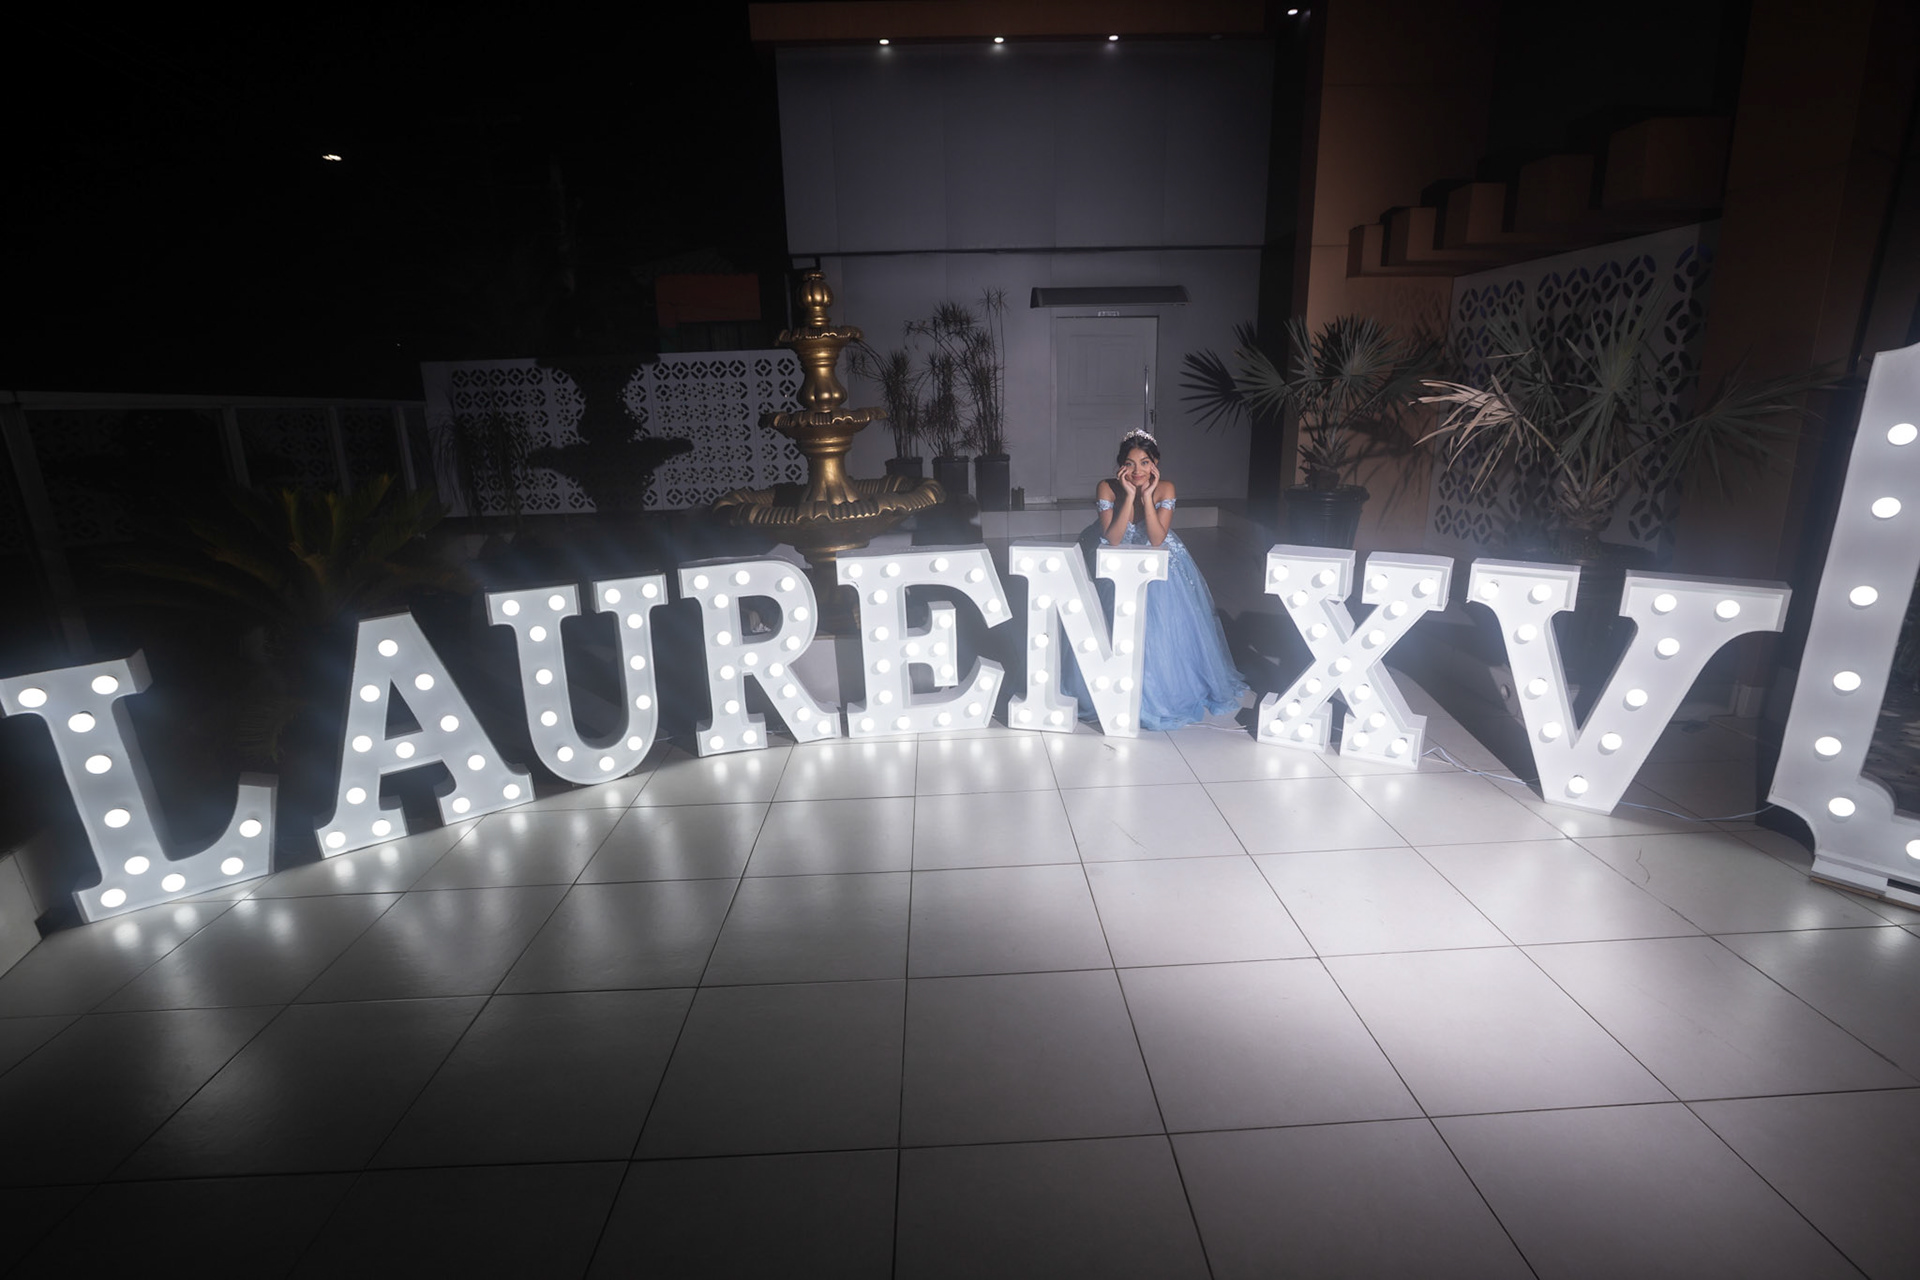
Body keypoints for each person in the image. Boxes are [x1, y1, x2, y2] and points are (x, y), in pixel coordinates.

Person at [1061, 430, 1248, 730]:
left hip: (1156, 560)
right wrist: (1129, 495)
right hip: (1115, 563)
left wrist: (1147, 497)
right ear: (1120, 465)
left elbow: (1157, 538)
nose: (1137, 471)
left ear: (1156, 463)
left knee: (1162, 625)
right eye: (1130, 463)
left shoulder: (1166, 488)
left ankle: (1157, 688)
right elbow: (1113, 539)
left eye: (1145, 462)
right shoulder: (1107, 488)